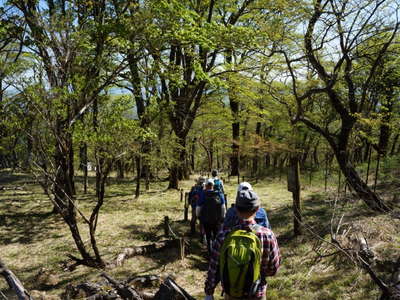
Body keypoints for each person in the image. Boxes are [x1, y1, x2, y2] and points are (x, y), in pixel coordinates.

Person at [204, 190, 281, 300]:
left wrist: (209, 292)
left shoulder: (224, 235)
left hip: (232, 294)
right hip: (257, 293)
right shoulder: (267, 235)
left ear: (236, 209)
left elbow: (214, 268)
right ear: (258, 209)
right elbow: (274, 269)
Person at [196, 179, 226, 254]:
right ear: (213, 186)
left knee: (208, 234)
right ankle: (215, 250)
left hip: (206, 219)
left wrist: (198, 216)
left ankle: (209, 248)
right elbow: (223, 207)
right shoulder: (219, 194)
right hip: (216, 219)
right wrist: (222, 217)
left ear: (206, 185)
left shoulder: (203, 194)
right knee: (216, 234)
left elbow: (198, 207)